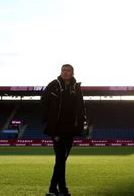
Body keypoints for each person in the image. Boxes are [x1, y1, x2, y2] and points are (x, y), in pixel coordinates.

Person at [41, 64, 87, 196]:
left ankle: (58, 189)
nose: (65, 73)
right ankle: (57, 189)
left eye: (68, 71)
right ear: (60, 72)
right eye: (63, 70)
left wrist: (82, 120)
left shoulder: (76, 88)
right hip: (57, 129)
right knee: (60, 159)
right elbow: (43, 102)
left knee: (62, 159)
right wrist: (48, 119)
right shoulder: (53, 85)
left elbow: (82, 106)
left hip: (71, 129)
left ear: (72, 73)